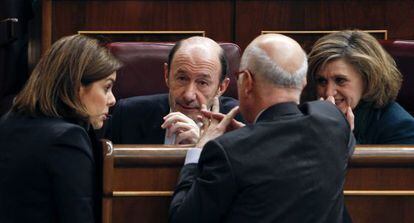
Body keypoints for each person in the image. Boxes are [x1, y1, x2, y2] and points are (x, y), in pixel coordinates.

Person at [169, 34, 355, 223]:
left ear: (247, 82)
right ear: (303, 83)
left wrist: (197, 152)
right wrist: (252, 135)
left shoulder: (228, 152)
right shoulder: (332, 120)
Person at [0, 34, 121, 223]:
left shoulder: (8, 122)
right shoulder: (68, 138)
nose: (112, 100)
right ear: (76, 87)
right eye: (107, 88)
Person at [104, 36, 241, 145]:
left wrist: (203, 148)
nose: (188, 95)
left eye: (202, 83)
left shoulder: (239, 122)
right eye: (182, 78)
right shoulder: (129, 116)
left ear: (221, 87)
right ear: (166, 75)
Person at [304, 30, 414, 144]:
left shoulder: (401, 128)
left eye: (340, 80)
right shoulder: (307, 116)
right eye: (322, 81)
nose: (328, 93)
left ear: (368, 80)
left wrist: (339, 140)